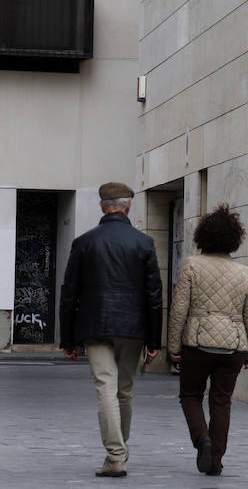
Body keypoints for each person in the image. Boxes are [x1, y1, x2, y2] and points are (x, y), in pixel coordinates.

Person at [59, 182, 163, 478]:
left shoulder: (84, 242)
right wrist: (154, 340)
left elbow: (69, 293)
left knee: (105, 387)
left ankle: (115, 456)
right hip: (132, 328)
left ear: (102, 206)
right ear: (129, 206)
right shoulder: (143, 243)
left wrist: (68, 339)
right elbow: (154, 295)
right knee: (124, 390)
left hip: (94, 326)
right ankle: (119, 451)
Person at [167, 204, 248, 476]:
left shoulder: (192, 265)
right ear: (234, 239)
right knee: (222, 401)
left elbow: (179, 309)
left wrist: (173, 346)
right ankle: (216, 460)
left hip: (197, 343)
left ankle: (201, 439)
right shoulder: (245, 273)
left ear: (202, 236)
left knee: (190, 395)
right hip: (233, 346)